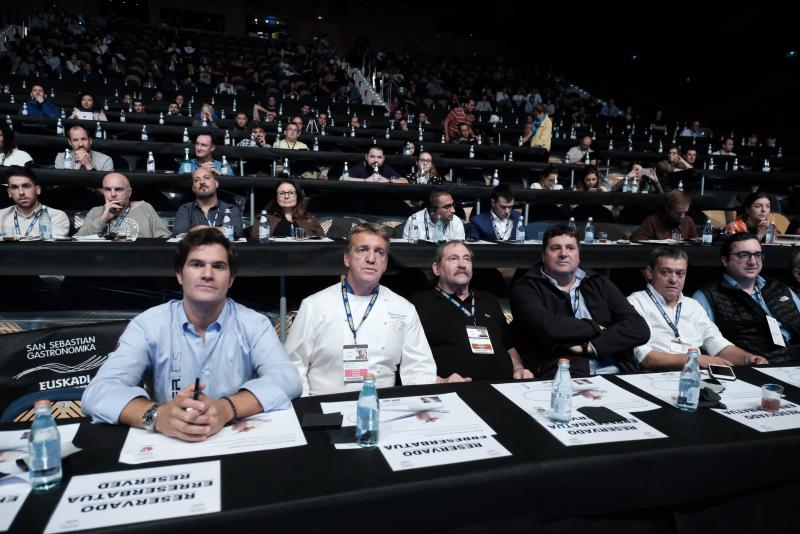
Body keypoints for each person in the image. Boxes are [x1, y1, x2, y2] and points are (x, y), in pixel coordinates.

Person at [82, 228, 302, 440]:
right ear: (179, 275)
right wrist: (158, 416)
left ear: (231, 279)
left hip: (234, 438)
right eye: (197, 265)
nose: (207, 274)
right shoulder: (148, 325)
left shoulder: (254, 324)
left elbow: (287, 379)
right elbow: (99, 392)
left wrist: (226, 408)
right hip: (168, 440)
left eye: (218, 266)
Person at [285, 223, 444, 396]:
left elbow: (419, 368)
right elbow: (293, 366)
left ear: (385, 263)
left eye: (379, 252)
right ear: (347, 258)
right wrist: (307, 410)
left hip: (383, 409)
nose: (371, 258)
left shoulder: (404, 309)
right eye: (362, 250)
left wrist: (420, 408)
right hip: (324, 408)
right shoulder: (314, 305)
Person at [510, 224, 649, 378]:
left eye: (570, 248)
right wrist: (596, 327)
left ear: (578, 255)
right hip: (565, 374)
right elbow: (546, 326)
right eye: (556, 248)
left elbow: (639, 328)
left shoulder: (599, 283)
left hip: (618, 369)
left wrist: (590, 347)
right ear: (543, 255)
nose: (563, 254)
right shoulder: (525, 287)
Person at [628, 247, 767, 370]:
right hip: (655, 374)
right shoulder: (635, 302)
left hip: (696, 375)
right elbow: (644, 357)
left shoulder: (692, 305)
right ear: (650, 273)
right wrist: (694, 360)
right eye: (665, 272)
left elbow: (716, 343)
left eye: (680, 273)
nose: (673, 280)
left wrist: (748, 358)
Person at [410, 241, 533, 380]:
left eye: (467, 259)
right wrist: (440, 381)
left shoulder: (489, 300)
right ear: (436, 268)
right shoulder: (419, 303)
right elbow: (411, 360)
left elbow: (509, 346)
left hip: (504, 386)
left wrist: (519, 369)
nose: (462, 264)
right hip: (453, 390)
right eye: (453, 258)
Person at [694, 233, 800, 364]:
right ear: (725, 260)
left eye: (757, 255)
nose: (753, 261)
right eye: (743, 255)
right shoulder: (707, 296)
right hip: (755, 365)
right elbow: (704, 344)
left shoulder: (779, 287)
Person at [76, 172, 171, 238]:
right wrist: (103, 218)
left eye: (118, 189)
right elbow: (79, 241)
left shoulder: (144, 208)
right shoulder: (96, 212)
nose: (113, 194)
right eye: (108, 189)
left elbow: (164, 238)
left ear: (129, 193)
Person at [0, 165, 69, 238]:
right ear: (9, 193)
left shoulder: (56, 216)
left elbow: (51, 248)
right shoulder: (1, 216)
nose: (21, 192)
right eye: (15, 187)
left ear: (38, 190)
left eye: (26, 186)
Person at [173, 168, 243, 238]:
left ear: (216, 184)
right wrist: (220, 231)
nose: (202, 182)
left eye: (206, 178)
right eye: (196, 180)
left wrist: (199, 229)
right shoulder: (185, 209)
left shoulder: (231, 208)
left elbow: (236, 232)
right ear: (193, 188)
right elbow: (180, 234)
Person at [249, 179, 324, 239]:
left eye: (291, 193)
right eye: (282, 193)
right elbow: (256, 240)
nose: (286, 196)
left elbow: (323, 240)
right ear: (276, 198)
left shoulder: (310, 218)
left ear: (297, 197)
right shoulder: (264, 218)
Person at [631, 190, 699, 241]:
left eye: (685, 212)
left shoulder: (688, 221)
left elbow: (695, 243)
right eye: (678, 213)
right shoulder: (652, 221)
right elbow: (637, 240)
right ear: (668, 209)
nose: (682, 216)